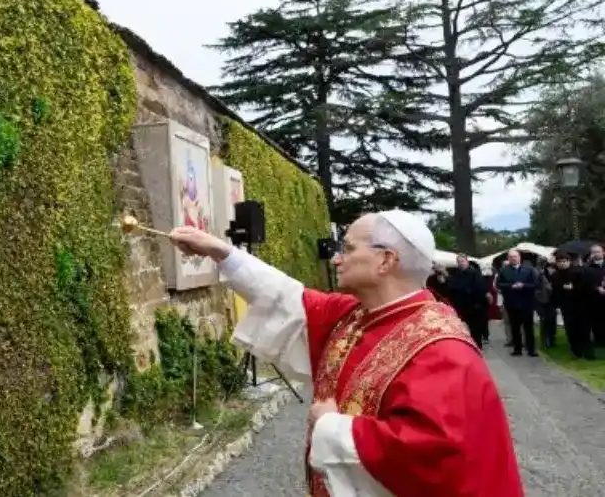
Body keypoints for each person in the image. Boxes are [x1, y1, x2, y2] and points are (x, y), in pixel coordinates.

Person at [168, 210, 522, 496]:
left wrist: (331, 426)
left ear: (386, 260)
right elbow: (286, 296)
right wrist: (220, 251)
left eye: (349, 249)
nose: (337, 258)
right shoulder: (356, 314)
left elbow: (432, 455)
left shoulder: (442, 351)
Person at [496, 250, 538, 357]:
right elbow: (499, 284)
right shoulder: (504, 270)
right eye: (511, 257)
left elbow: (535, 284)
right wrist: (511, 286)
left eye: (515, 256)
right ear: (508, 258)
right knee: (515, 327)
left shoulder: (529, 270)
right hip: (512, 303)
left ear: (519, 257)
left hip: (526, 302)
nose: (513, 259)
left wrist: (523, 285)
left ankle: (531, 349)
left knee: (528, 327)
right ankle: (517, 349)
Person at [553, 251, 594, 359]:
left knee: (584, 330)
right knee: (571, 331)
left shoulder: (578, 272)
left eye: (564, 261)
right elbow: (555, 291)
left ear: (569, 261)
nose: (562, 263)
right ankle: (576, 352)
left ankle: (588, 353)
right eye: (559, 262)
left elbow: (585, 287)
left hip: (580, 306)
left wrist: (573, 288)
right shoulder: (555, 275)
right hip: (566, 307)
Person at [446, 253, 489, 349]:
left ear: (467, 261)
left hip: (474, 305)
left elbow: (480, 288)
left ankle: (477, 346)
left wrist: (478, 302)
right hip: (462, 305)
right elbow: (453, 286)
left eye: (462, 261)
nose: (461, 263)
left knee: (475, 328)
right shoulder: (458, 274)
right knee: (467, 327)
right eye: (459, 262)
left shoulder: (475, 273)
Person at [584, 245, 605, 347]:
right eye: (594, 252)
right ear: (591, 255)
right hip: (594, 300)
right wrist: (596, 288)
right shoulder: (587, 268)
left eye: (598, 251)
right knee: (597, 321)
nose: (597, 254)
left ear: (603, 253)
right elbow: (586, 283)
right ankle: (599, 340)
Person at [536, 258, 558, 350]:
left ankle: (551, 339)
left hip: (552, 299)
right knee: (544, 320)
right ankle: (546, 340)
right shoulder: (538, 272)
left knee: (552, 320)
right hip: (543, 300)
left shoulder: (554, 271)